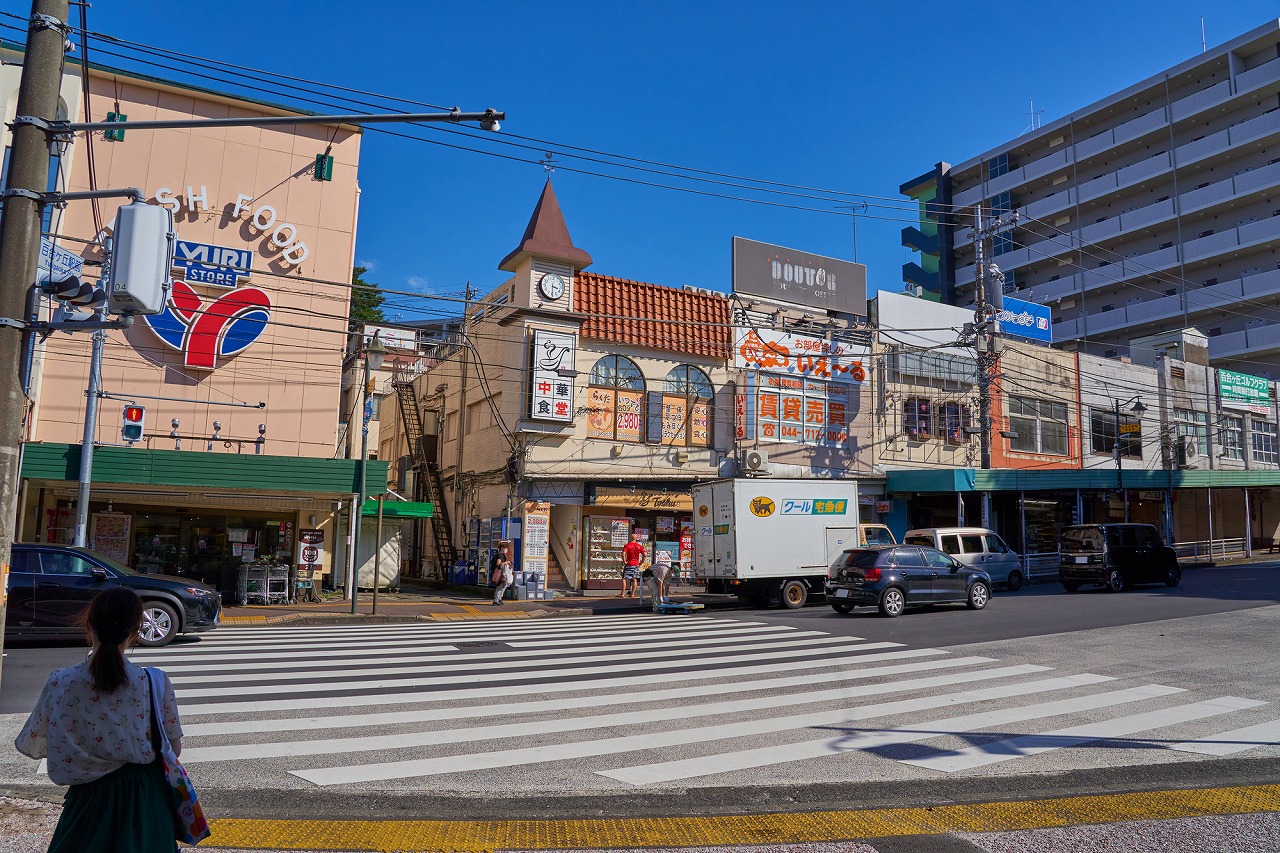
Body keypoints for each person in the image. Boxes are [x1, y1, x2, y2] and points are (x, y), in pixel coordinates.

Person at [15, 587, 184, 852]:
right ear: (136, 631)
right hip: (144, 804)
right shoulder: (154, 682)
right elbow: (173, 748)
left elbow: (34, 743)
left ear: (88, 624)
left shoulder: (61, 682)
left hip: (87, 805)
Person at [621, 530, 646, 598]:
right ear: (636, 538)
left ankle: (622, 593)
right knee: (634, 579)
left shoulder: (627, 545)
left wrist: (624, 561)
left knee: (624, 578)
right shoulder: (639, 546)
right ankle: (632, 594)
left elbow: (623, 553)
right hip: (636, 564)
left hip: (629, 563)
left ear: (630, 538)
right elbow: (645, 554)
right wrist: (641, 562)